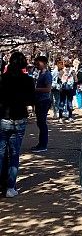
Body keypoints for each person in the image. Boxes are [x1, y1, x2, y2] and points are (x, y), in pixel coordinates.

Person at [0, 51, 36, 197]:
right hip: (20, 118)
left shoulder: (2, 79)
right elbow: (31, 101)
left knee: (1, 153)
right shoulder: (28, 80)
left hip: (4, 118)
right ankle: (10, 188)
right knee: (14, 154)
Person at [32, 55, 53, 154]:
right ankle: (40, 144)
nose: (36, 65)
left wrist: (35, 89)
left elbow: (48, 89)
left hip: (44, 101)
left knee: (42, 123)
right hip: (39, 100)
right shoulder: (40, 73)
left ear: (44, 63)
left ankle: (43, 145)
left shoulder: (47, 74)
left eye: (38, 63)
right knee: (40, 123)